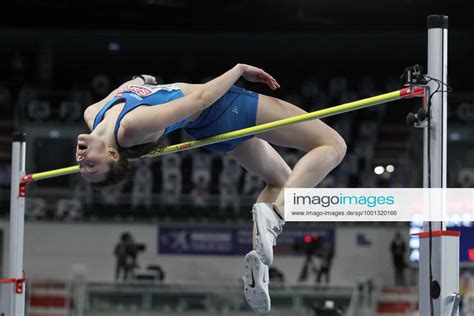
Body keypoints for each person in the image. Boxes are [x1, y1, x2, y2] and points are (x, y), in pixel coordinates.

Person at [77, 64, 347, 313]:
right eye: (92, 167)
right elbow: (202, 98)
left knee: (282, 182)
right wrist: (239, 70)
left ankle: (259, 263)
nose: (81, 162)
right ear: (113, 155)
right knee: (333, 145)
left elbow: (125, 91)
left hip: (208, 129)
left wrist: (141, 80)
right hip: (225, 108)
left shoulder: (93, 114)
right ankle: (276, 215)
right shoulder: (130, 129)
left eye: (83, 168)